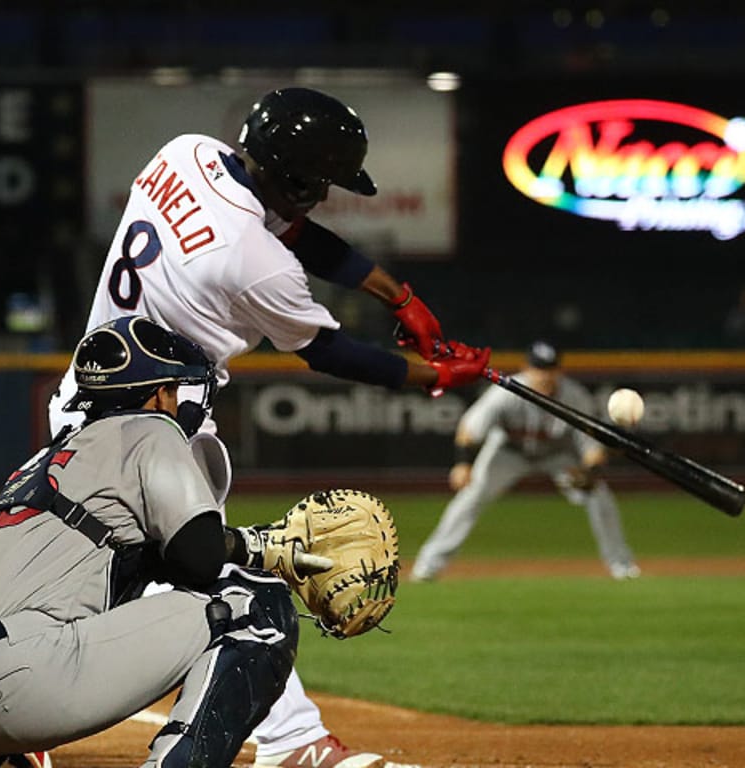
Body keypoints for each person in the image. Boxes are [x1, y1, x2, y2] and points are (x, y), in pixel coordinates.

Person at [47, 86, 492, 768]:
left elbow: (290, 230)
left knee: (115, 578)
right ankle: (293, 741)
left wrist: (400, 297)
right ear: (299, 180)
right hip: (150, 432)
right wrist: (435, 378)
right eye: (320, 182)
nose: (325, 196)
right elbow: (329, 351)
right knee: (213, 583)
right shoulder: (259, 264)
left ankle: (289, 736)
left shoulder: (187, 153)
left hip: (95, 398)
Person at [0, 316, 308, 768]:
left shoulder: (47, 458)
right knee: (255, 606)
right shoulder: (150, 430)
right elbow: (200, 558)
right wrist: (256, 548)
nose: (177, 402)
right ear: (156, 394)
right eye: (174, 389)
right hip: (9, 685)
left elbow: (149, 564)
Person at [411, 340, 640, 582]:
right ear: (526, 369)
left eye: (549, 369)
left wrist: (590, 472)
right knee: (471, 495)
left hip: (557, 455)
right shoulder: (506, 391)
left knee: (599, 496)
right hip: (509, 451)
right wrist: (463, 464)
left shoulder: (575, 397)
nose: (543, 375)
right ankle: (429, 564)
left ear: (559, 371)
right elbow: (469, 429)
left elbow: (591, 447)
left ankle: (621, 565)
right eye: (538, 368)